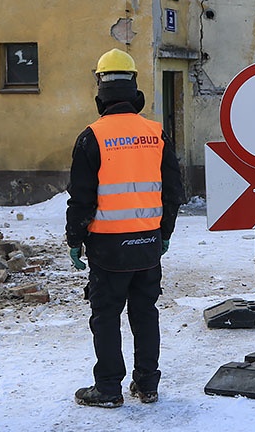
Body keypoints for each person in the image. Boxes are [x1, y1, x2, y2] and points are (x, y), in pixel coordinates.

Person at [66, 48, 185, 408]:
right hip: (147, 245)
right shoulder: (156, 134)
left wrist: (75, 239)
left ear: (100, 90)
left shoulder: (92, 137)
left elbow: (81, 199)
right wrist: (164, 234)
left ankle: (107, 389)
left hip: (107, 248)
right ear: (135, 88)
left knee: (105, 316)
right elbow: (174, 192)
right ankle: (147, 385)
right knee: (145, 313)